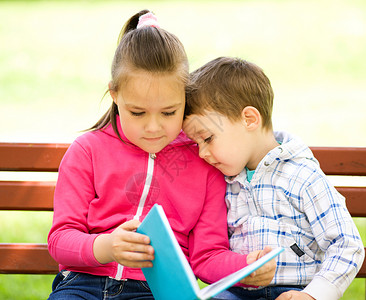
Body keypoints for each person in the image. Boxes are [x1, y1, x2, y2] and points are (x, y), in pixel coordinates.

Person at [47, 11, 276, 299]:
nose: (153, 127)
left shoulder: (204, 164)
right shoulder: (87, 151)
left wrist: (246, 267)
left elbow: (207, 256)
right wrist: (106, 246)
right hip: (83, 286)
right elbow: (60, 239)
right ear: (115, 95)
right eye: (137, 112)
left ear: (185, 98)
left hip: (154, 292)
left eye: (169, 112)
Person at [183, 56, 365, 300]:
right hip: (238, 291)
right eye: (196, 144)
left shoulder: (303, 176)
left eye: (207, 138)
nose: (202, 153)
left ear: (249, 119)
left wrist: (314, 295)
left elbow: (347, 244)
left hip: (296, 291)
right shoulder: (223, 182)